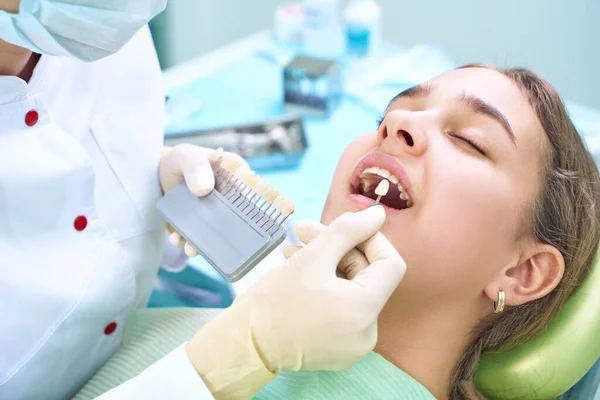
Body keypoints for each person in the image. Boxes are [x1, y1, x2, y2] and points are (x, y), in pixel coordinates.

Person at [92, 63, 600, 400]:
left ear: (524, 270)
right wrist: (135, 196)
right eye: (391, 110)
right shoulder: (254, 314)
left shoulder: (260, 337)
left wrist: (252, 346)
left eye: (469, 140)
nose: (396, 122)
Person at [0, 1, 405, 399]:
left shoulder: (95, 23)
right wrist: (244, 351)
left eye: (466, 140)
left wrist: (143, 181)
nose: (400, 124)